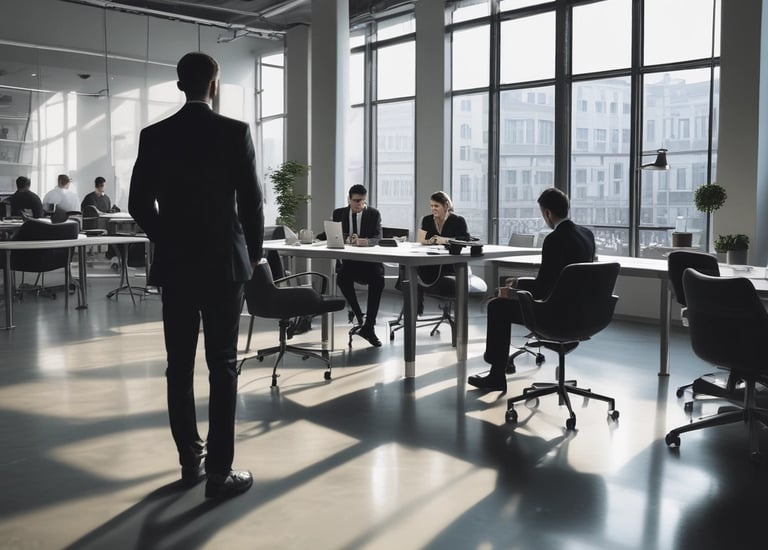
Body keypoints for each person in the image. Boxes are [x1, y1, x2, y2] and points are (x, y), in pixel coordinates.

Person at [128, 52, 264, 499]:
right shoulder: (235, 132)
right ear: (215, 82)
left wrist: (167, 238)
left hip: (178, 266)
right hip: (226, 266)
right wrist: (252, 257)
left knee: (178, 364)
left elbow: (137, 204)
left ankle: (191, 459)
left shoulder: (155, 135)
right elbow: (252, 204)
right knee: (223, 366)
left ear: (179, 83)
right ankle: (219, 474)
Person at [468, 187, 595, 393]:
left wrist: (515, 288)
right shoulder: (586, 235)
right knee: (504, 302)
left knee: (498, 307)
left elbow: (543, 288)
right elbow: (561, 281)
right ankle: (499, 367)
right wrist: (520, 284)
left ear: (547, 213)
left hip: (555, 316)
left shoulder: (554, 239)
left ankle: (496, 374)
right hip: (582, 315)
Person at [330, 184, 384, 347]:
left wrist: (366, 242)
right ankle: (359, 315)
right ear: (349, 199)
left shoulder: (373, 213)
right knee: (342, 279)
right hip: (349, 263)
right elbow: (333, 234)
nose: (359, 204)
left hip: (369, 263)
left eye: (362, 201)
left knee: (378, 281)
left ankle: (369, 326)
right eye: (356, 201)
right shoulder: (339, 213)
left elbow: (378, 237)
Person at [414, 191, 470, 305]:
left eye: (436, 206)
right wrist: (428, 241)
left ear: (446, 206)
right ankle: (413, 308)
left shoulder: (458, 220)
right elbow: (419, 241)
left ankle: (414, 304)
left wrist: (445, 240)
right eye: (431, 206)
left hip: (449, 264)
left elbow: (466, 239)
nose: (433, 209)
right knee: (408, 268)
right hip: (430, 262)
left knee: (412, 272)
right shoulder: (427, 220)